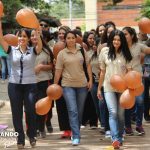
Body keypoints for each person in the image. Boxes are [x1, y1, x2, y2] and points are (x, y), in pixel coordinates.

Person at [0, 20, 42, 149]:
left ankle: (32, 135)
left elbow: (39, 44)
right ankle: (20, 139)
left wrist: (37, 30)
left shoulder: (33, 51)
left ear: (28, 38)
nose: (21, 38)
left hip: (30, 86)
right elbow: (1, 38)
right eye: (19, 36)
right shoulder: (11, 50)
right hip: (14, 85)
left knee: (30, 111)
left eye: (24, 36)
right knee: (16, 113)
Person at [54, 30, 93, 146]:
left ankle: (76, 131)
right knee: (73, 110)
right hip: (67, 85)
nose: (70, 40)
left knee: (79, 111)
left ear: (75, 39)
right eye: (68, 38)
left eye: (72, 38)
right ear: (65, 40)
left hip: (82, 85)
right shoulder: (62, 54)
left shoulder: (81, 50)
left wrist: (90, 80)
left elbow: (88, 65)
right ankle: (75, 136)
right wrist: (55, 85)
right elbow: (58, 71)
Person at [97, 29, 132, 149]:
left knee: (121, 115)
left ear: (122, 41)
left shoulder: (126, 54)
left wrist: (130, 89)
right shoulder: (104, 51)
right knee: (113, 112)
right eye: (114, 39)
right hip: (108, 87)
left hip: (123, 89)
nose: (116, 41)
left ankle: (120, 136)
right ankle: (115, 139)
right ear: (111, 40)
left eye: (119, 40)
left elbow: (129, 73)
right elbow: (102, 71)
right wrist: (99, 88)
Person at [122, 27, 150, 135]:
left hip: (138, 78)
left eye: (125, 34)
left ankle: (139, 125)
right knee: (128, 103)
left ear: (132, 35)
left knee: (140, 101)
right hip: (125, 79)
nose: (124, 36)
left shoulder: (138, 46)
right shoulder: (120, 47)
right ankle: (127, 126)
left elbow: (148, 50)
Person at [30, 29, 54, 138]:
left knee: (41, 106)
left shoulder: (47, 51)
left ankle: (41, 127)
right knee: (31, 107)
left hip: (43, 82)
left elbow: (52, 66)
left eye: (37, 35)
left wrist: (41, 67)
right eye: (32, 36)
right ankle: (33, 129)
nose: (34, 37)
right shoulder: (26, 50)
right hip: (29, 83)